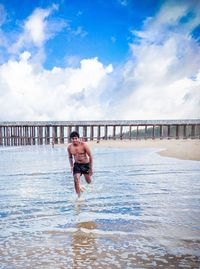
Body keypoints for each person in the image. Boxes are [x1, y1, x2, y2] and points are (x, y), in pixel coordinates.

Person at [67, 131, 93, 197]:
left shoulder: (84, 145)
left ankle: (89, 188)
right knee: (76, 180)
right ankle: (79, 197)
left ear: (78, 138)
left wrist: (91, 168)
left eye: (76, 138)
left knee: (88, 181)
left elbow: (90, 156)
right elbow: (70, 157)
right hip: (77, 165)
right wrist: (71, 166)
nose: (74, 140)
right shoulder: (69, 147)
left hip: (85, 164)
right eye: (73, 139)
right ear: (71, 139)